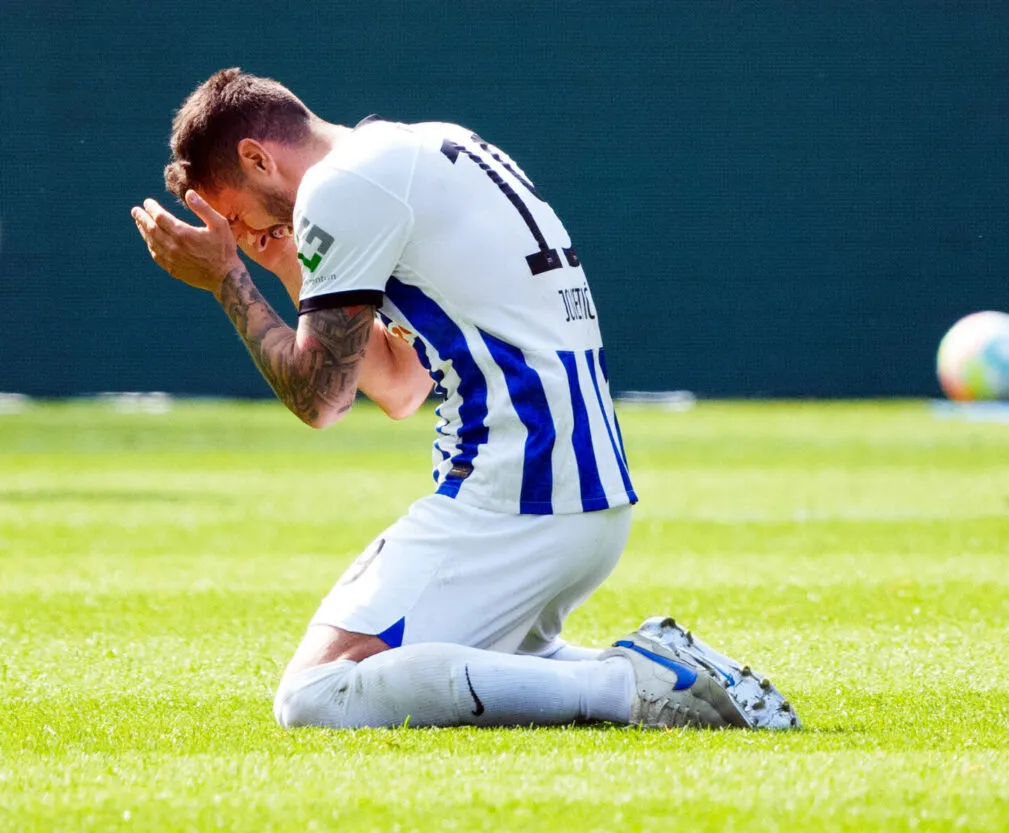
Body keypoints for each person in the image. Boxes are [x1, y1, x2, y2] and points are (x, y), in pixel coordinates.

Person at [130, 68, 798, 731]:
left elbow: (320, 399)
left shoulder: (340, 188)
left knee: (316, 694)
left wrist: (226, 281)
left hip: (517, 486)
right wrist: (279, 262)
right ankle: (672, 670)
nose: (245, 235)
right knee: (482, 669)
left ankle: (626, 683)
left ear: (256, 157)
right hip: (570, 482)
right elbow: (399, 386)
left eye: (239, 216)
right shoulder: (414, 149)